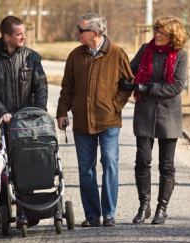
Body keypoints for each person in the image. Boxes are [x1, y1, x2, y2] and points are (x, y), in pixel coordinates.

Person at [56, 12, 133, 227]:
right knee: (86, 169)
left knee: (110, 164)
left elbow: (128, 84)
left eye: (81, 30)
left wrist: (115, 106)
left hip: (108, 122)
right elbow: (67, 88)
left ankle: (109, 214)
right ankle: (92, 216)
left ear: (96, 32)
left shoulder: (116, 53)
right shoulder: (75, 55)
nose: (78, 34)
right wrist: (62, 112)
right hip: (81, 123)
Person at [0, 15, 48, 229]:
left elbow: (41, 87)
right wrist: (2, 112)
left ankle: (26, 208)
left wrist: (38, 113)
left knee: (25, 163)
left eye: (23, 33)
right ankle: (1, 212)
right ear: (6, 36)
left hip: (25, 124)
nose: (23, 37)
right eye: (19, 34)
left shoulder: (31, 58)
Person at [128, 16, 188, 225]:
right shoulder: (146, 49)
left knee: (166, 165)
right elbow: (130, 70)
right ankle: (144, 205)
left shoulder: (180, 54)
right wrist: (126, 82)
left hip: (168, 115)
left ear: (173, 36)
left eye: (162, 33)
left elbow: (176, 86)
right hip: (144, 112)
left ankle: (162, 208)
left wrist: (147, 88)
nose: (157, 36)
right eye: (156, 31)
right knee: (142, 161)